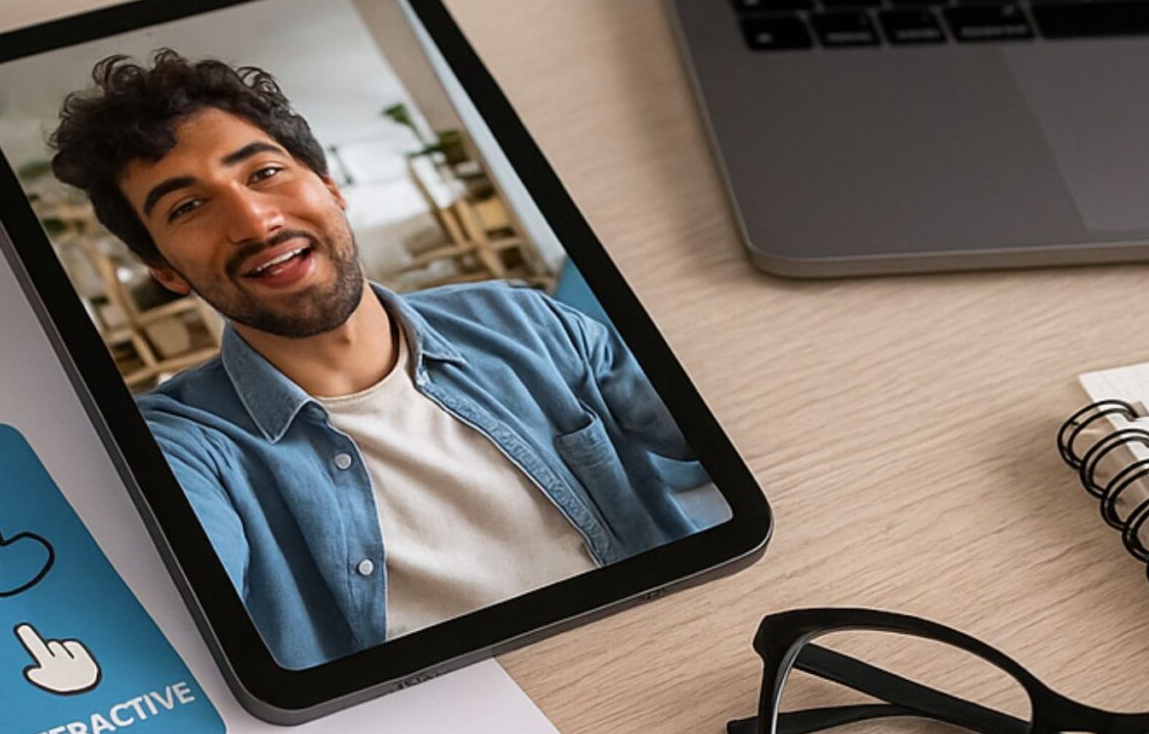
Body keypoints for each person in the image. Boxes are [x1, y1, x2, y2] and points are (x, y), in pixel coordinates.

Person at [46, 49, 712, 670]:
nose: (254, 221)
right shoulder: (181, 443)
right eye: (189, 206)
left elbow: (719, 436)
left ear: (330, 186)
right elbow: (158, 628)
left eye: (265, 172)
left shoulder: (523, 320)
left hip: (667, 656)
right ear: (164, 269)